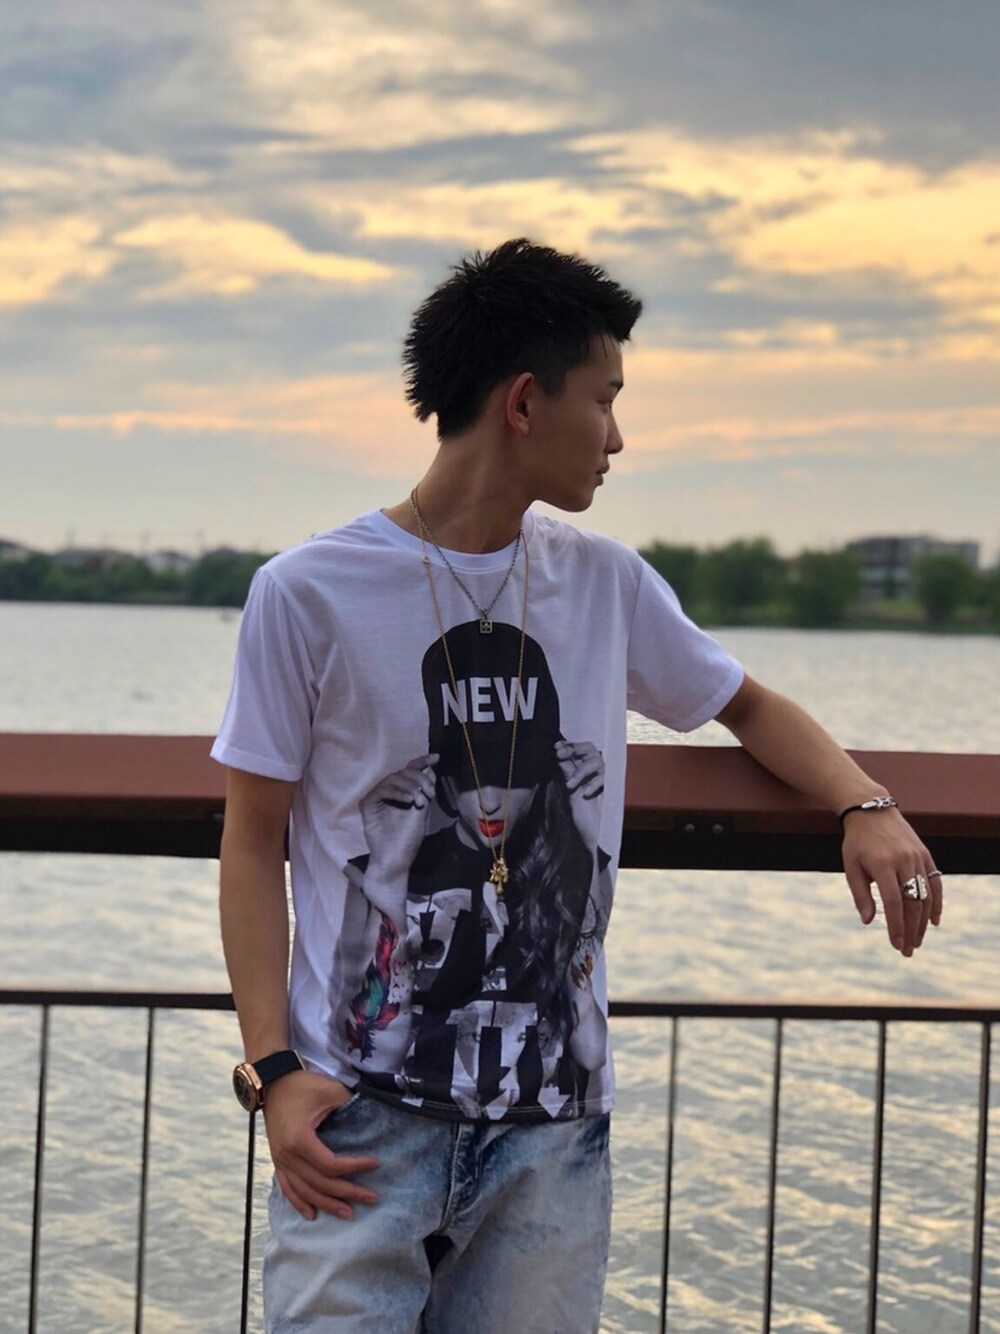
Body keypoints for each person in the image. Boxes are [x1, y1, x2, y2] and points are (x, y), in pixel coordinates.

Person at [213, 238, 942, 1333]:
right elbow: (250, 839)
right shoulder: (307, 593)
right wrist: (273, 1069)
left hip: (550, 1135)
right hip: (356, 1125)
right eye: (604, 400)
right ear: (523, 402)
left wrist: (863, 804)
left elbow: (746, 704)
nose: (616, 436)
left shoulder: (604, 583)